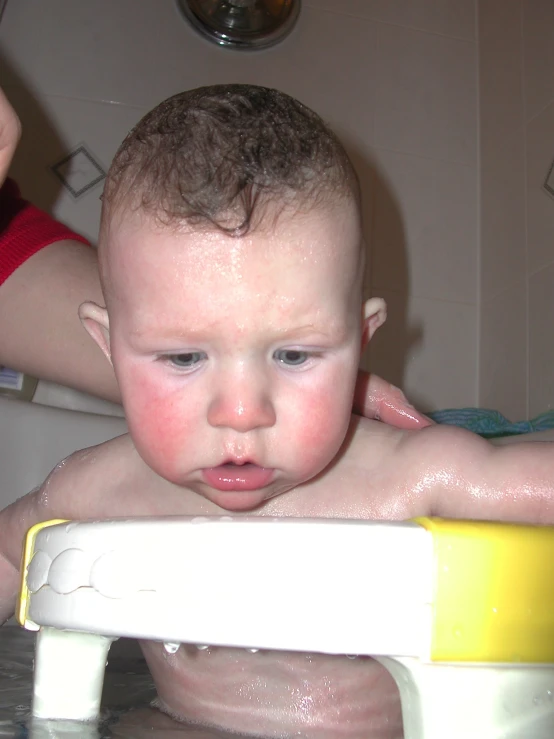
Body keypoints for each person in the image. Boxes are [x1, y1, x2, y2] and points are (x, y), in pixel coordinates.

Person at [2, 84, 553, 738]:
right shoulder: (95, 488)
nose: (241, 413)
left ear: (360, 343)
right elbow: (11, 556)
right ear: (109, 347)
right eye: (182, 359)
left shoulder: (411, 477)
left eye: (294, 355)